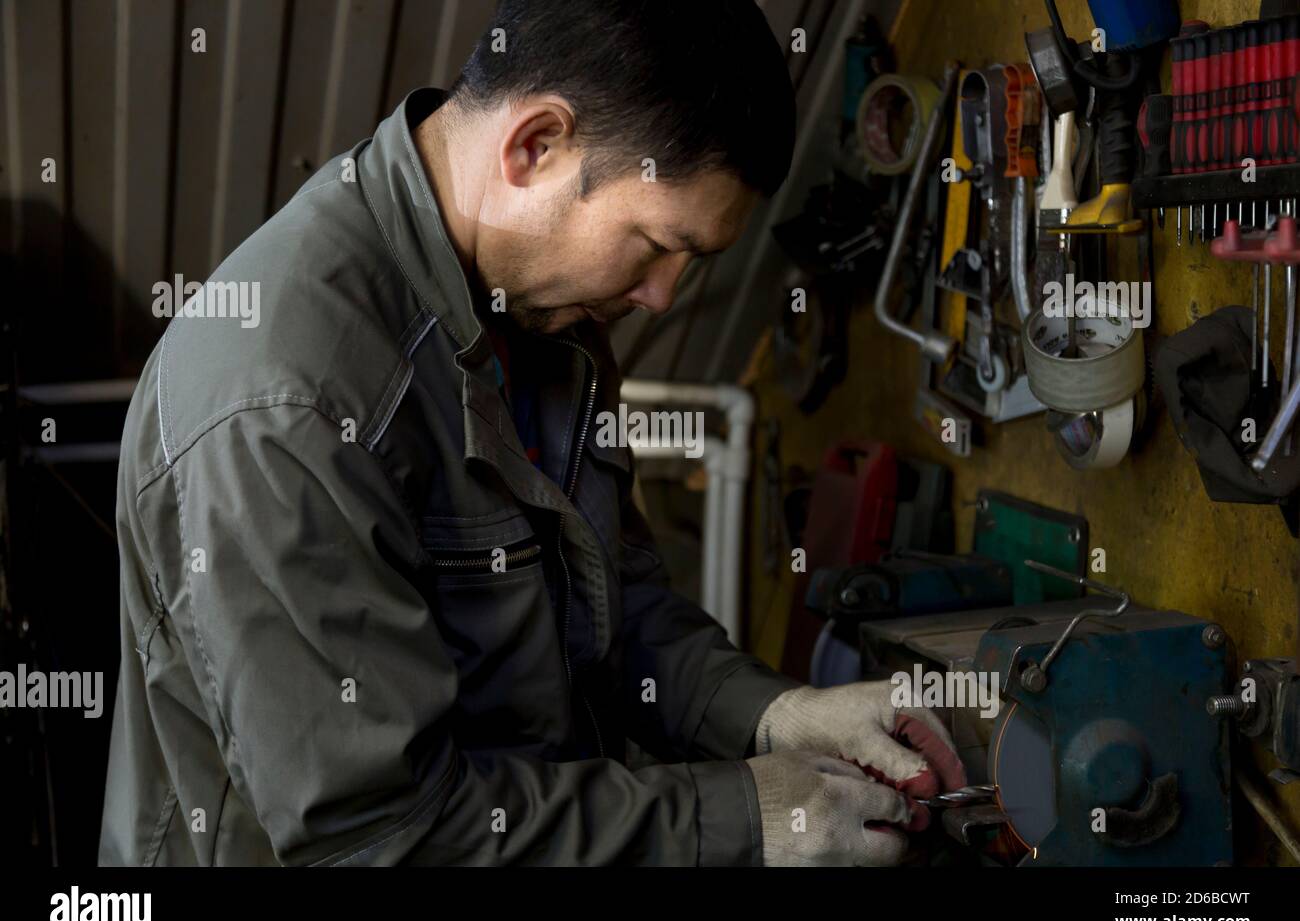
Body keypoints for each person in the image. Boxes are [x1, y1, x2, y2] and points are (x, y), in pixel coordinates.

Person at [100, 0, 964, 867]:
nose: (661, 296)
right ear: (536, 147)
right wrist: (743, 816)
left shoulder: (542, 313)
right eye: (660, 244)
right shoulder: (285, 408)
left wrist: (776, 715)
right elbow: (381, 840)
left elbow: (610, 611)